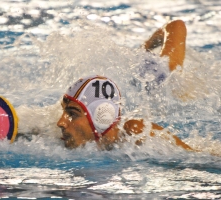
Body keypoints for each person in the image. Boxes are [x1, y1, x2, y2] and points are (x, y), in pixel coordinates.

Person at [57, 20, 193, 150]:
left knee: (177, 81)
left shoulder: (137, 133)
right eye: (64, 111)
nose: (60, 123)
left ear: (101, 117)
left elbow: (177, 26)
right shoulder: (59, 135)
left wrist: (145, 48)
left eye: (72, 114)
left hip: (148, 82)